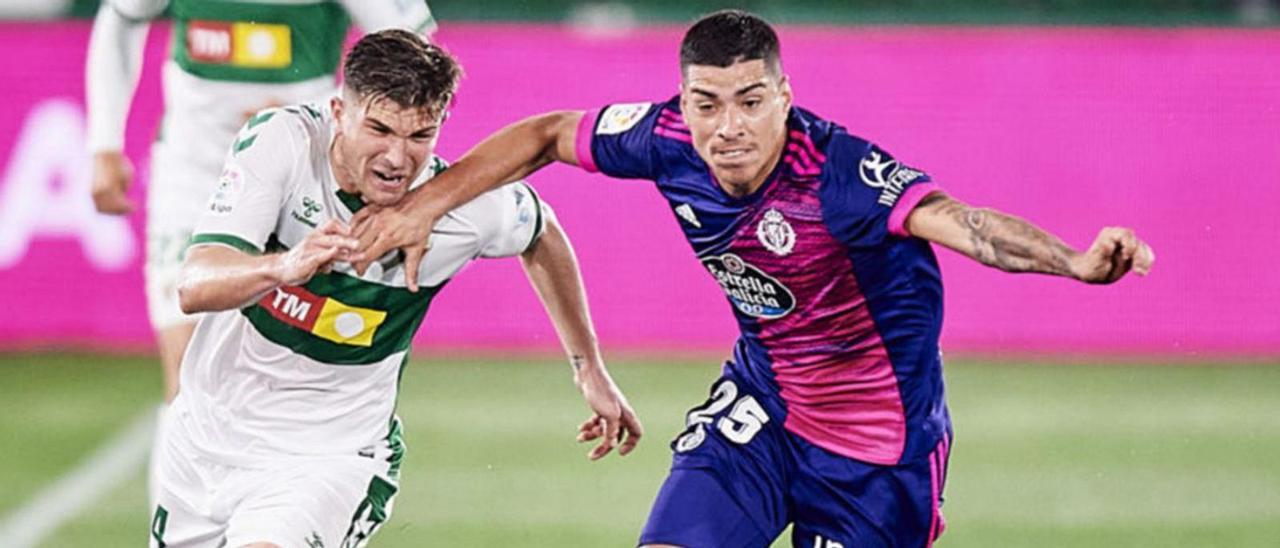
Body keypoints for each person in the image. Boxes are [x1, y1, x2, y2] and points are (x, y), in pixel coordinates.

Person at [349, 9, 1154, 548]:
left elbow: (966, 223)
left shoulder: (840, 176)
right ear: (685, 103)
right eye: (707, 103)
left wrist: (1075, 263)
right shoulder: (665, 138)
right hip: (764, 408)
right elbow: (549, 134)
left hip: (879, 452)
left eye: (750, 101)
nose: (727, 126)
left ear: (784, 98)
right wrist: (424, 204)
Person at [152, 29, 642, 548]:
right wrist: (283, 267)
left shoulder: (463, 208)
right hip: (203, 443)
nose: (395, 158)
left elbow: (541, 232)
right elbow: (195, 284)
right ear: (339, 111)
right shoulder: (285, 144)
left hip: (327, 459)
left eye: (419, 136)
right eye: (380, 129)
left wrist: (588, 367)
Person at [86, 0, 438, 404]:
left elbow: (415, 57)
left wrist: (313, 128)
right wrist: (103, 144)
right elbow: (122, 16)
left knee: (292, 373)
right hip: (194, 172)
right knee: (188, 373)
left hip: (301, 176)